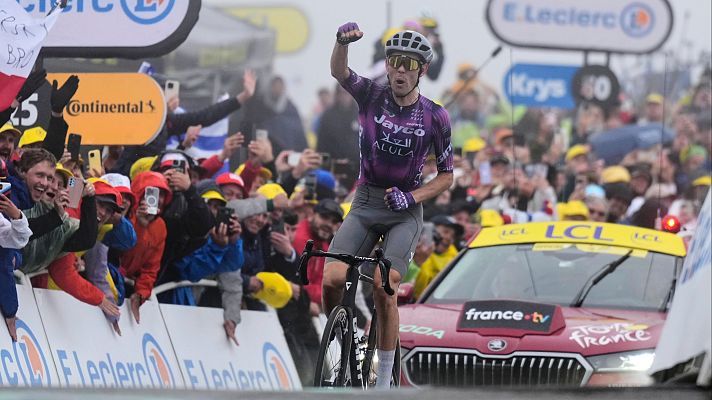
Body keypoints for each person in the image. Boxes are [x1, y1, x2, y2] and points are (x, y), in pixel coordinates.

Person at [324, 22, 453, 388]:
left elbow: (446, 177)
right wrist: (341, 43)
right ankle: (343, 344)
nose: (400, 70)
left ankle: (382, 382)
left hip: (404, 211)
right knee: (332, 279)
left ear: (422, 70)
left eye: (408, 64)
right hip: (365, 201)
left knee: (385, 286)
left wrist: (412, 197)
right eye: (394, 61)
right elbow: (339, 72)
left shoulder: (436, 116)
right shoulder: (372, 95)